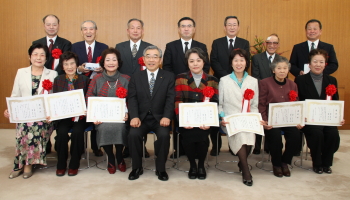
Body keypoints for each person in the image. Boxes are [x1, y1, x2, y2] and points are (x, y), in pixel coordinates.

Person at [4, 43, 58, 179]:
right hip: (24, 114)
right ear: (30, 57)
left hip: (44, 116)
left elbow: (54, 98)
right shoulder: (21, 72)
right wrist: (9, 109)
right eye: (35, 54)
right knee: (24, 126)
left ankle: (24, 165)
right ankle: (26, 162)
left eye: (42, 55)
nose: (38, 58)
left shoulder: (52, 74)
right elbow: (15, 95)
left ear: (46, 58)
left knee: (33, 125)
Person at [163, 17, 210, 158]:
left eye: (189, 26)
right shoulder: (171, 46)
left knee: (199, 118)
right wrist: (179, 82)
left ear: (194, 29)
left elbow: (206, 66)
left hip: (198, 87)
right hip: (179, 87)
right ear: (179, 29)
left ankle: (197, 148)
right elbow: (167, 67)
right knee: (179, 117)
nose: (186, 28)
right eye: (183, 26)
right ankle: (179, 149)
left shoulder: (201, 45)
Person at [128, 46, 175, 181]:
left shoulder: (168, 76)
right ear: (143, 59)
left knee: (164, 135)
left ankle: (161, 168)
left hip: (160, 118)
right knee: (133, 134)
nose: (151, 59)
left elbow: (170, 99)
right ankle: (136, 167)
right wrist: (134, 116)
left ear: (160, 60)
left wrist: (167, 116)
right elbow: (132, 98)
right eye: (148, 56)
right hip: (141, 117)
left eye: (155, 56)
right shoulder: (136, 77)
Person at [295, 49, 344, 174]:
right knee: (317, 134)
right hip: (309, 119)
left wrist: (339, 117)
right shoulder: (300, 80)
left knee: (332, 135)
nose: (318, 64)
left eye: (321, 62)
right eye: (315, 61)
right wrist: (301, 118)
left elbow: (335, 101)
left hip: (327, 119)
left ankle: (326, 163)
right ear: (309, 64)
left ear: (325, 64)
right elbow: (297, 102)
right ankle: (317, 163)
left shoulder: (331, 80)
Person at [175, 47, 219, 180]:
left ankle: (201, 165)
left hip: (204, 120)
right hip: (187, 119)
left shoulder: (212, 80)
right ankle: (192, 165)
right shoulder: (180, 78)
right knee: (188, 136)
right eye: (191, 61)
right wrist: (182, 120)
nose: (195, 64)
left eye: (198, 60)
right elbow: (177, 101)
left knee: (202, 136)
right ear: (187, 63)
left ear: (204, 62)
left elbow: (215, 103)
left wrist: (209, 122)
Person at [210, 16, 250, 156]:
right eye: (229, 25)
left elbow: (245, 61)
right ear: (225, 27)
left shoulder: (244, 43)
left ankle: (237, 146)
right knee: (218, 109)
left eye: (234, 25)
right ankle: (216, 145)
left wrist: (235, 75)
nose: (232, 27)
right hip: (220, 81)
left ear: (238, 27)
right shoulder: (217, 42)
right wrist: (226, 77)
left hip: (238, 80)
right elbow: (213, 61)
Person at [86, 48, 130, 174]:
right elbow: (89, 97)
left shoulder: (126, 79)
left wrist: (126, 112)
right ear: (103, 63)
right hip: (101, 117)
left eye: (114, 60)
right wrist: (93, 115)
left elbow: (131, 99)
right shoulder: (96, 79)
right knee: (104, 128)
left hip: (120, 116)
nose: (111, 63)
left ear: (118, 62)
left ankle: (120, 157)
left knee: (120, 128)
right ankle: (111, 158)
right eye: (108, 60)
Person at [32, 14, 71, 154]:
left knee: (59, 117)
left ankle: (61, 142)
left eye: (54, 24)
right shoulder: (37, 43)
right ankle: (45, 144)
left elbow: (67, 65)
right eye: (48, 24)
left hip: (60, 84)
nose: (51, 27)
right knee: (43, 114)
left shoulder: (66, 43)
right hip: (42, 85)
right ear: (44, 26)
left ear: (58, 26)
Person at [219, 48, 257, 186]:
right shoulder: (224, 80)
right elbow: (220, 104)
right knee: (241, 134)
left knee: (248, 133)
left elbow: (255, 104)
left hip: (248, 119)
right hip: (231, 119)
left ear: (246, 63)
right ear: (231, 63)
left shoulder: (253, 81)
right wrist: (223, 117)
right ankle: (246, 170)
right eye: (236, 60)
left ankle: (242, 163)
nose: (239, 63)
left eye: (242, 60)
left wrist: (256, 119)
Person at [258, 56, 302, 178]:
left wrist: (298, 120)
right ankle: (276, 164)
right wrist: (265, 120)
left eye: (285, 68)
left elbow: (296, 103)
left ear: (288, 70)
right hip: (272, 119)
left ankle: (285, 162)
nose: (282, 71)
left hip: (289, 119)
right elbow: (261, 103)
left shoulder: (293, 84)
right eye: (279, 68)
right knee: (275, 137)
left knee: (295, 136)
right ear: (273, 70)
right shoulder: (265, 83)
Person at [116, 18, 153, 158]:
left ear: (142, 31)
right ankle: (127, 146)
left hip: (143, 87)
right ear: (128, 31)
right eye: (132, 28)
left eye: (138, 28)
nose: (135, 30)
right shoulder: (119, 46)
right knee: (126, 116)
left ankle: (141, 147)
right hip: (123, 87)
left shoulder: (149, 48)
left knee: (142, 115)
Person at [72, 20, 109, 157]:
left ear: (96, 31)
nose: (88, 32)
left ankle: (96, 146)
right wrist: (79, 69)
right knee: (81, 115)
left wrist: (102, 68)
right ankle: (80, 146)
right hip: (80, 85)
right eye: (85, 29)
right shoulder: (74, 47)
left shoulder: (103, 47)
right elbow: (69, 65)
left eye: (91, 29)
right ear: (81, 32)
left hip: (98, 85)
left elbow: (109, 64)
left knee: (96, 114)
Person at [51, 51, 90, 177]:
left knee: (78, 133)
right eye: (66, 64)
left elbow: (88, 98)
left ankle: (74, 164)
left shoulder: (85, 79)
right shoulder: (58, 80)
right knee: (61, 133)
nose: (69, 67)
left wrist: (86, 109)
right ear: (62, 66)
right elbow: (55, 100)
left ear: (76, 64)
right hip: (64, 116)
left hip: (80, 116)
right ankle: (61, 165)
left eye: (72, 63)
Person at [251, 34, 282, 154]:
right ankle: (257, 146)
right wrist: (266, 89)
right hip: (261, 92)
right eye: (270, 43)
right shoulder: (257, 58)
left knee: (272, 119)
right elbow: (256, 76)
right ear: (265, 44)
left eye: (275, 43)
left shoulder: (281, 60)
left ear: (278, 45)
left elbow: (282, 77)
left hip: (276, 96)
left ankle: (269, 145)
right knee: (260, 118)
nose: (272, 45)